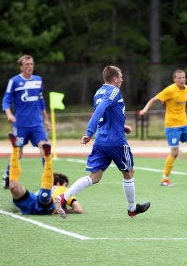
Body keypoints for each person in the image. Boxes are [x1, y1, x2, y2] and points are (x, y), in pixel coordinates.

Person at [54, 65, 150, 219]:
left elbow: (104, 115)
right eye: (121, 77)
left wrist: (121, 125)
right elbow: (99, 112)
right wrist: (89, 132)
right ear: (114, 78)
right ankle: (132, 208)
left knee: (95, 177)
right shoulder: (114, 91)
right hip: (116, 141)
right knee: (129, 173)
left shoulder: (99, 92)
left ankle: (65, 196)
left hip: (101, 140)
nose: (122, 80)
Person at [140, 69, 187, 187]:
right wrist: (145, 109)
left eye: (183, 77)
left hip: (184, 125)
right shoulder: (170, 90)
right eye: (179, 78)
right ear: (174, 80)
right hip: (172, 126)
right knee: (174, 153)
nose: (182, 80)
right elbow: (154, 99)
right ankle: (164, 179)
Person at [1, 55, 51, 189]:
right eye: (27, 64)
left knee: (45, 147)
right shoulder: (14, 81)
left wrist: (46, 120)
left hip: (37, 124)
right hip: (21, 124)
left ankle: (48, 180)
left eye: (31, 64)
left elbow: (41, 101)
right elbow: (6, 99)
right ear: (21, 67)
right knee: (19, 153)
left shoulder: (38, 80)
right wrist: (9, 114)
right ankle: (7, 174)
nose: (30, 66)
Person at [7, 132, 83, 216]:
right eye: (65, 185)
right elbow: (79, 209)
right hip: (45, 206)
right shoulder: (64, 190)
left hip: (31, 202)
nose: (66, 187)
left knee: (13, 185)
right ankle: (47, 158)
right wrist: (63, 210)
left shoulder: (39, 190)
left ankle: (15, 150)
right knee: (44, 196)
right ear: (58, 184)